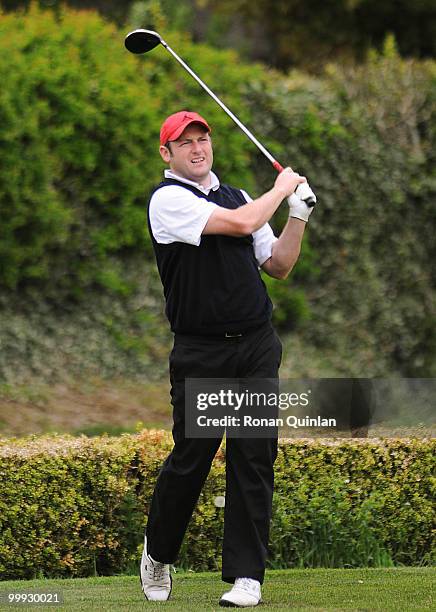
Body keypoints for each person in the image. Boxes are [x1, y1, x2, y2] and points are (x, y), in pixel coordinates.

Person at [140, 110, 315, 607]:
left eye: (203, 139)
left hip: (256, 343)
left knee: (254, 455)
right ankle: (158, 553)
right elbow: (242, 223)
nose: (198, 149)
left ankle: (246, 577)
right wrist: (282, 189)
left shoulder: (237, 194)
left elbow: (277, 265)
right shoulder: (167, 201)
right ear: (167, 154)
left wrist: (298, 216)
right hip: (203, 351)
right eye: (185, 142)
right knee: (192, 458)